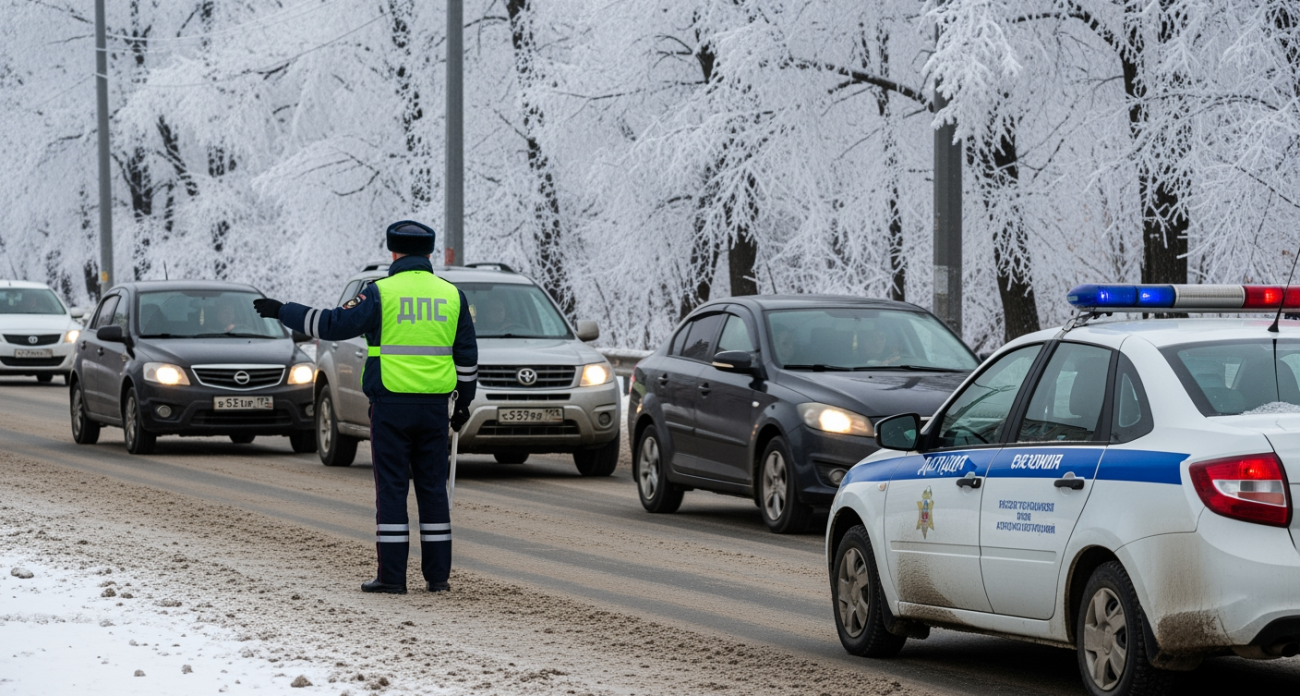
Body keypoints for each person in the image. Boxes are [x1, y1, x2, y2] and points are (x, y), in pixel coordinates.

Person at [253, 220, 478, 594]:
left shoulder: (380, 293)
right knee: (434, 491)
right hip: (435, 408)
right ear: (429, 252)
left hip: (391, 406)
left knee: (391, 489)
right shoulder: (452, 296)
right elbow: (467, 358)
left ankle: (392, 578)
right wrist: (463, 404)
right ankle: (438, 578)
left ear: (394, 252)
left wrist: (283, 310)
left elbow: (332, 323)